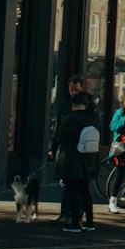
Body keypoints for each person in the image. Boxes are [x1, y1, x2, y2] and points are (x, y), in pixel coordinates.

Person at [50, 92, 101, 233]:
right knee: (85, 191)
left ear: (74, 104)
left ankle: (75, 223)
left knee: (72, 191)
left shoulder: (70, 118)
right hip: (89, 159)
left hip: (72, 159)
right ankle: (89, 222)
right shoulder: (94, 118)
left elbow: (60, 138)